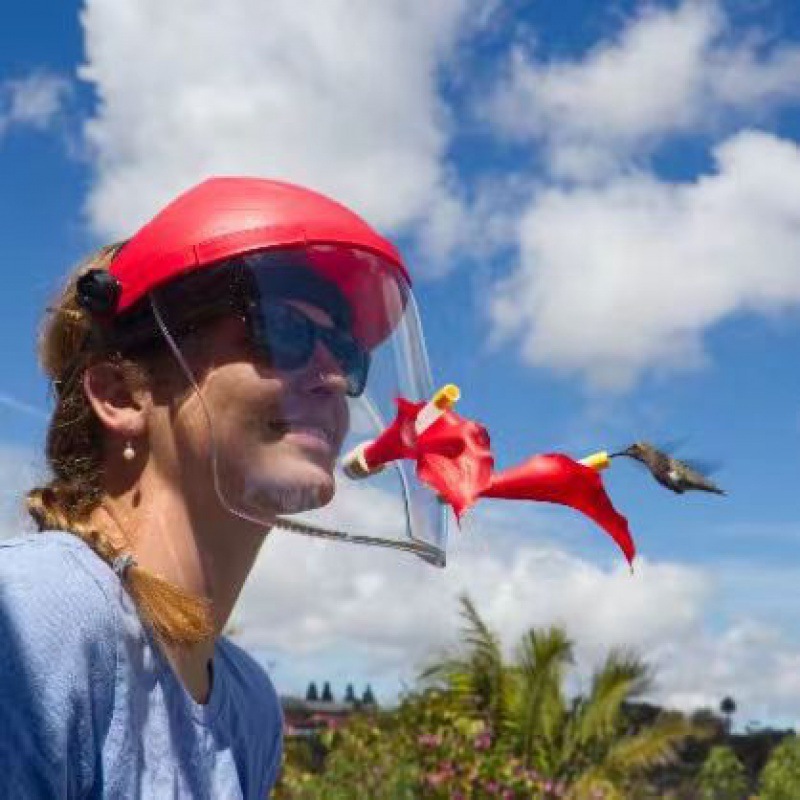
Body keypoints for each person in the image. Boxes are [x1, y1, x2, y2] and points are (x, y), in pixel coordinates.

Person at [0, 176, 441, 798]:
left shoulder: (249, 707)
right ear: (123, 396)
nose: (335, 376)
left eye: (347, 352)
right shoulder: (31, 618)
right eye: (281, 332)